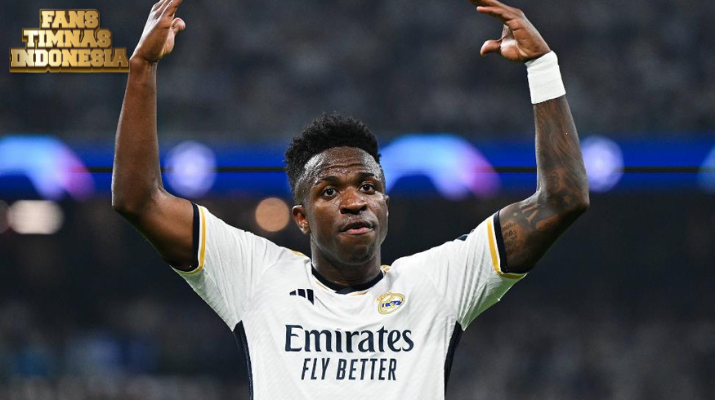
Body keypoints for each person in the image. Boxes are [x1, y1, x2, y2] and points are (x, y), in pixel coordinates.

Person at [112, 0, 589, 398]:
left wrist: (542, 68)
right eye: (329, 191)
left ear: (386, 205)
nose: (354, 201)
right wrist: (142, 69)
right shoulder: (257, 278)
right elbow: (139, 200)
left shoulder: (435, 284)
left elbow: (561, 201)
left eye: (368, 187)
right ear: (301, 218)